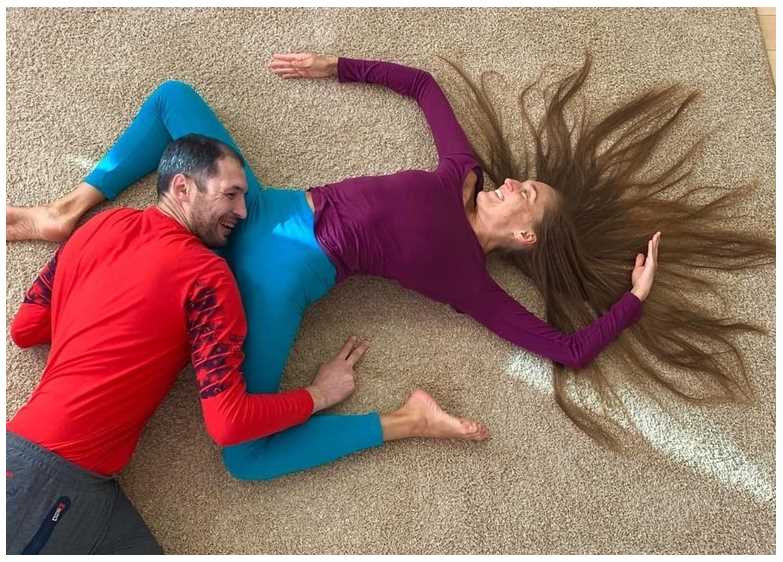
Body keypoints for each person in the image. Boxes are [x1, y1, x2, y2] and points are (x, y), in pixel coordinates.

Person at [6, 134, 489, 555]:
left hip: (47, 465)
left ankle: (409, 420)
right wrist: (320, 394)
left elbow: (25, 329)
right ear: (182, 188)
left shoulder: (98, 227)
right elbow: (228, 423)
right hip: (50, 479)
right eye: (231, 194)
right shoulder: (207, 276)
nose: (242, 210)